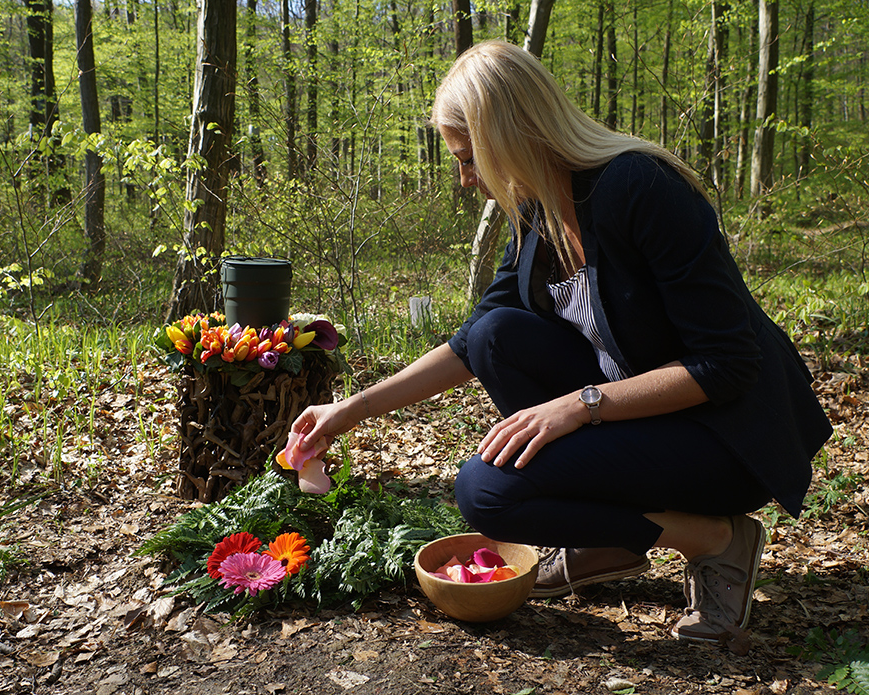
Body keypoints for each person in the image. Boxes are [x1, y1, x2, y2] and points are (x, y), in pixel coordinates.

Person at [288, 39, 832, 644]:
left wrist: (580, 405)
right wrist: (348, 411)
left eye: (470, 159)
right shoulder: (537, 212)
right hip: (641, 418)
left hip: (727, 437)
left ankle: (719, 540)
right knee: (498, 333)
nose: (467, 180)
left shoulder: (640, 188)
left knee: (486, 493)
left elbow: (726, 364)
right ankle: (607, 544)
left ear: (512, 138)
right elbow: (474, 341)